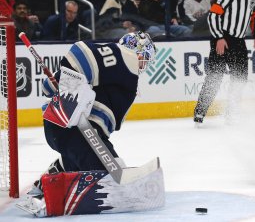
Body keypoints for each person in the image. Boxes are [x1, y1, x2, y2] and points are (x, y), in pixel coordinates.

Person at [17, 31, 158, 217]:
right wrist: (61, 81)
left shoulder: (120, 72)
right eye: (145, 57)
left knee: (98, 165)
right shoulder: (126, 57)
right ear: (137, 51)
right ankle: (50, 201)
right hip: (79, 131)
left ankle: (43, 187)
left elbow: (52, 86)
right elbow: (81, 53)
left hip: (69, 133)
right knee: (111, 179)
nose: (144, 63)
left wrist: (59, 82)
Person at [193, 0, 255, 126]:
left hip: (238, 41)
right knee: (214, 78)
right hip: (222, 39)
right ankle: (199, 112)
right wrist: (219, 38)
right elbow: (213, 16)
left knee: (240, 78)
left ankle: (231, 112)